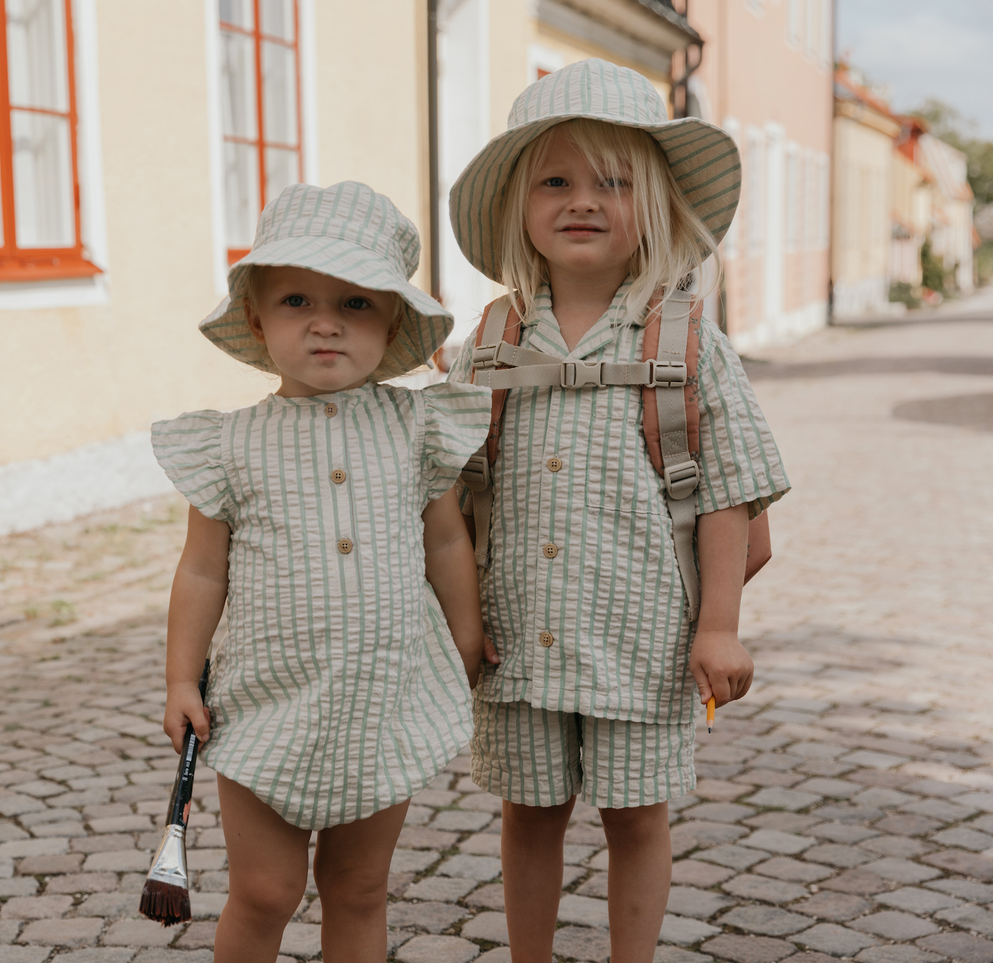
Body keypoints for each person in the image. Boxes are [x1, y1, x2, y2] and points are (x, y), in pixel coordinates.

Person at [445, 59, 790, 963]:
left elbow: (727, 489)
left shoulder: (685, 339)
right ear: (519, 205)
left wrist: (719, 624)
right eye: (554, 180)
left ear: (656, 205)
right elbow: (440, 497)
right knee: (531, 813)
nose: (581, 200)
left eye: (612, 180)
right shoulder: (484, 345)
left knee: (637, 816)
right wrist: (457, 616)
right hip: (516, 635)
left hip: (639, 639)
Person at [152, 181, 491, 963]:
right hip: (264, 700)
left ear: (395, 321)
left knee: (359, 888)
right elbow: (203, 572)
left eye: (357, 303)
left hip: (385, 695)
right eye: (297, 299)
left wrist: (463, 638)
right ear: (257, 318)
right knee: (266, 890)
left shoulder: (415, 425)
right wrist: (179, 678)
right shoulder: (230, 444)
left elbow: (445, 542)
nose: (326, 321)